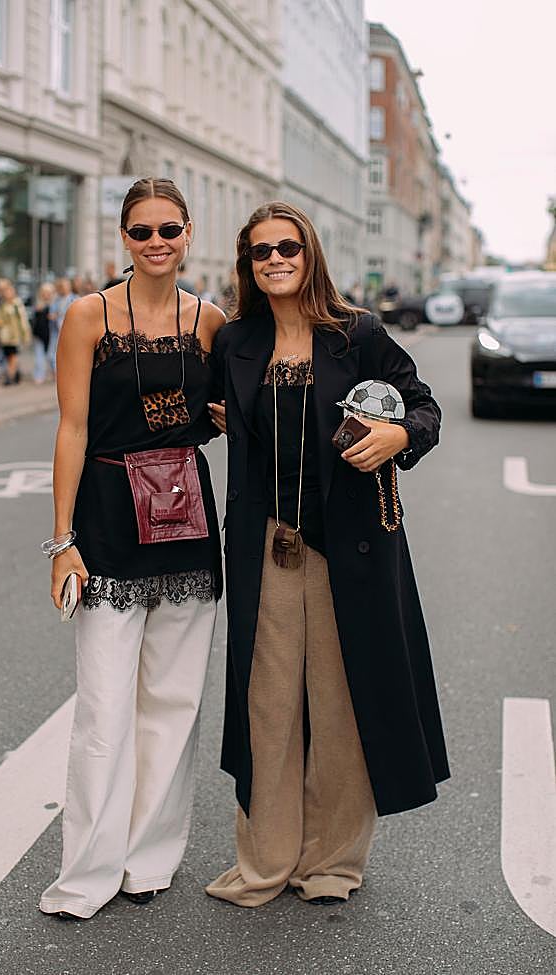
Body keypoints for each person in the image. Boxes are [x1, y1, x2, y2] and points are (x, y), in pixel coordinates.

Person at [206, 201, 449, 908]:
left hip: (352, 549)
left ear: (309, 253)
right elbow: (200, 412)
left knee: (343, 706)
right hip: (268, 546)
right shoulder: (238, 341)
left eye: (288, 247)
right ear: (247, 264)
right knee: (267, 706)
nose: (276, 259)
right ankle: (266, 859)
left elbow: (423, 405)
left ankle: (333, 861)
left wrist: (400, 438)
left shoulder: (358, 334)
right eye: (261, 251)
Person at [39, 177, 226, 920]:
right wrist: (62, 541)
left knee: (174, 704)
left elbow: (226, 411)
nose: (156, 243)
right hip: (111, 520)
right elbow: (72, 429)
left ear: (189, 234)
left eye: (169, 230)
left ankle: (149, 859)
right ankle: (87, 873)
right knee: (105, 706)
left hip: (185, 515)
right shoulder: (89, 315)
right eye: (142, 231)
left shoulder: (210, 320)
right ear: (125, 238)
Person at [0, 280, 32, 385]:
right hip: (5, 335)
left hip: (15, 335)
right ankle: (16, 373)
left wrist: (25, 335)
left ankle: (9, 376)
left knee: (12, 356)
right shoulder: (2, 304)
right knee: (8, 356)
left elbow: (23, 320)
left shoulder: (17, 304)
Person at [48, 278, 77, 374]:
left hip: (70, 331)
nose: (63, 289)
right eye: (61, 287)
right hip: (56, 331)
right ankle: (58, 373)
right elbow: (51, 313)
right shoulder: (56, 300)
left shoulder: (75, 299)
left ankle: (65, 373)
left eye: (65, 286)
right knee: (52, 354)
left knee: (69, 353)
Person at [31, 282, 55, 383]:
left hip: (51, 334)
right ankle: (39, 375)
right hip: (39, 334)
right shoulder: (38, 304)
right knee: (39, 357)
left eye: (48, 293)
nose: (46, 295)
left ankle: (55, 374)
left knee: (51, 356)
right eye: (44, 292)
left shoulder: (54, 305)